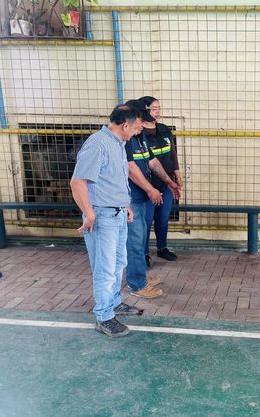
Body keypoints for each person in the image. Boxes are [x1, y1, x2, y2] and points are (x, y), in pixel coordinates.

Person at [70, 105, 143, 338]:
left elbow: (113, 180)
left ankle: (114, 303)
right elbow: (78, 182)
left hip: (117, 213)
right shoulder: (98, 144)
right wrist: (89, 213)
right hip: (102, 217)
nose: (138, 131)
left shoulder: (118, 144)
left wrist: (125, 205)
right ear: (126, 125)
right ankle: (104, 316)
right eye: (137, 127)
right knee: (105, 268)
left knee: (119, 262)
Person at [123, 99, 180, 298]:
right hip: (131, 198)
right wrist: (150, 189)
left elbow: (152, 162)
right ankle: (137, 285)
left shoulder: (140, 137)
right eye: (142, 121)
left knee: (139, 239)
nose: (144, 125)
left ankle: (140, 276)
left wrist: (169, 182)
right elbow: (131, 169)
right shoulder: (126, 140)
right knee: (135, 241)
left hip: (142, 197)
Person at [139, 96, 183, 263]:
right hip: (148, 186)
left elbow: (172, 154)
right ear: (144, 111)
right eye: (154, 109)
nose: (158, 112)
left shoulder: (164, 129)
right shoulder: (138, 133)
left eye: (159, 108)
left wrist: (178, 176)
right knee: (146, 220)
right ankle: (143, 254)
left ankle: (162, 248)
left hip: (167, 184)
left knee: (163, 218)